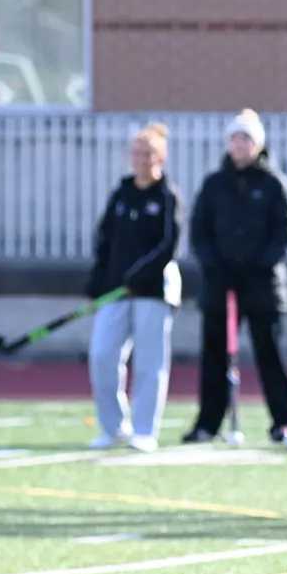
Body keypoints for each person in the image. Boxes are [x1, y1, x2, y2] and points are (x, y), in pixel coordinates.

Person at [183, 109, 287, 447]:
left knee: (270, 354)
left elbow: (284, 230)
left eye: (246, 139)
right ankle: (208, 423)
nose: (240, 145)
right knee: (214, 356)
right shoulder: (213, 184)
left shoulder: (274, 183)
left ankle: (282, 422)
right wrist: (215, 265)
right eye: (235, 139)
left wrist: (259, 265)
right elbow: (199, 232)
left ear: (257, 144)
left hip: (263, 285)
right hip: (220, 285)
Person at [84, 123, 185, 453]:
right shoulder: (121, 193)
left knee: (149, 362)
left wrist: (138, 276)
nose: (141, 160)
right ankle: (113, 427)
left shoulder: (168, 196)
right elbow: (104, 241)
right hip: (115, 291)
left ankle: (145, 431)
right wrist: (97, 284)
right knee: (102, 354)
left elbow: (168, 245)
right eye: (137, 153)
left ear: (161, 157)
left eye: (148, 153)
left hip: (153, 291)